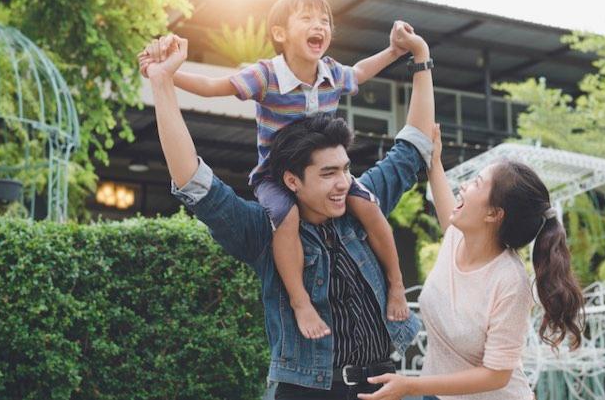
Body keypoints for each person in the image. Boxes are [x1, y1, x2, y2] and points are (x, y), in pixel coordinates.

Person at [138, 25, 434, 399]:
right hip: (308, 389)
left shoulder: (360, 205)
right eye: (328, 174)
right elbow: (195, 182)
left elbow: (412, 149)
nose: (343, 182)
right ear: (292, 181)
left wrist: (421, 59)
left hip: (383, 384)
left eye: (344, 169)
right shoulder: (265, 231)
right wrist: (163, 82)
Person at [357, 127, 585, 400]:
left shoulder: (510, 282)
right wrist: (434, 160)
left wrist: (412, 385)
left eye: (476, 183)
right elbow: (444, 200)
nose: (464, 186)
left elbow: (497, 374)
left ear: (494, 214)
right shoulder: (458, 236)